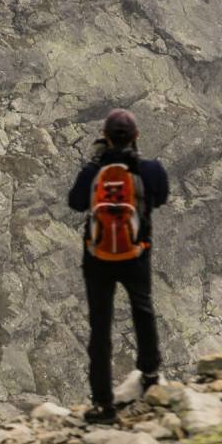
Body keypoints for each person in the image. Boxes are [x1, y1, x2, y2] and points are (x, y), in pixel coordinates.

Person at [67, 109, 169, 424]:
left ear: (106, 136)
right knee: (143, 309)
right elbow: (161, 197)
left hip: (97, 259)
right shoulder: (149, 169)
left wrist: (96, 163)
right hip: (136, 254)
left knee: (100, 327)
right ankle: (150, 373)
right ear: (136, 136)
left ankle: (102, 404)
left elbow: (76, 202)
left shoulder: (94, 170)